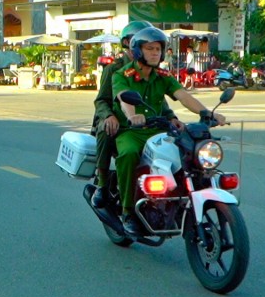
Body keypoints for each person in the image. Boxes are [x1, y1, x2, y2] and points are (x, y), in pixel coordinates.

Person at [111, 27, 225, 236]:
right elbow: (123, 96)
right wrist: (132, 116)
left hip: (159, 130)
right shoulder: (123, 74)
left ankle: (175, 200)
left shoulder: (162, 76)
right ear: (137, 51)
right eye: (150, 49)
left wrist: (207, 113)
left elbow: (182, 95)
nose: (155, 53)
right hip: (132, 131)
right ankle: (128, 211)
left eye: (158, 49)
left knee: (186, 154)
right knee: (128, 154)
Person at [90, 21, 179, 209]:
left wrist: (172, 117)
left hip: (147, 123)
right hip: (116, 117)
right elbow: (102, 100)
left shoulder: (153, 68)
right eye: (136, 41)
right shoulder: (114, 69)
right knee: (107, 132)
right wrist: (108, 116)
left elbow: (158, 100)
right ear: (127, 43)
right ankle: (102, 184)